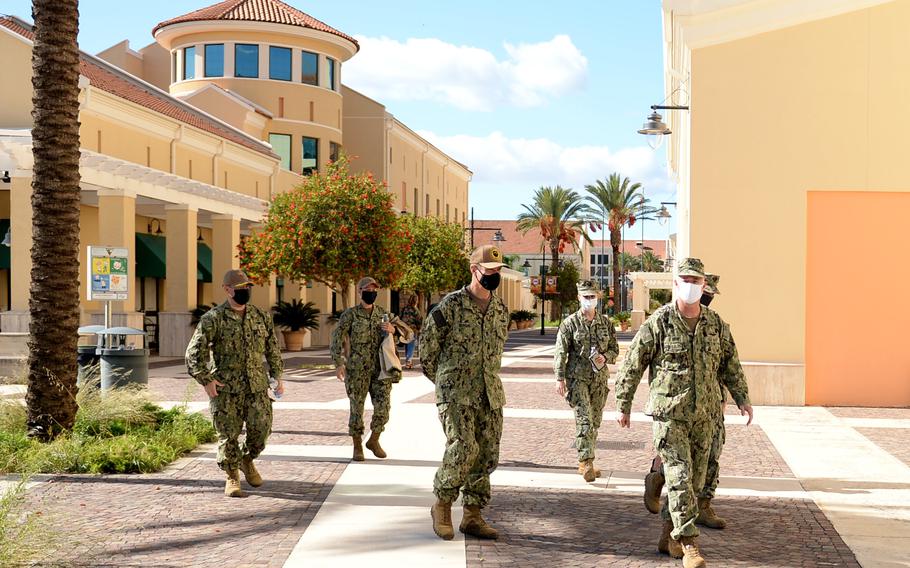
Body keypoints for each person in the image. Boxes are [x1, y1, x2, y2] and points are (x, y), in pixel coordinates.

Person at [615, 259, 752, 568]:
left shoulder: (715, 324)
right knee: (679, 476)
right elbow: (633, 363)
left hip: (705, 415)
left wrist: (743, 398)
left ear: (704, 285)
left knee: (693, 481)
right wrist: (623, 403)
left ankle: (668, 537)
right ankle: (689, 543)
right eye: (685, 279)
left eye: (696, 280)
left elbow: (730, 363)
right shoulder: (659, 322)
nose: (691, 285)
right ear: (675, 284)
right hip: (670, 414)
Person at [421, 245, 510, 541]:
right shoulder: (450, 307)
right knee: (463, 447)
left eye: (498, 271)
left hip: (489, 393)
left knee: (487, 454)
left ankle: (472, 514)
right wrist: (446, 383)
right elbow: (428, 352)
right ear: (475, 270)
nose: (495, 276)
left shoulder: (500, 310)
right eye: (490, 271)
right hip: (456, 392)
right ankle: (443, 504)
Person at [186, 269, 284, 498]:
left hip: (257, 387)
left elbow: (272, 349)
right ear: (227, 290)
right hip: (225, 389)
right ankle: (232, 475)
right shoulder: (213, 319)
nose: (245, 292)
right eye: (240, 289)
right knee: (228, 435)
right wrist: (206, 380)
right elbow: (193, 353)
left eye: (248, 287)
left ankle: (247, 460)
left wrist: (278, 376)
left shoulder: (260, 316)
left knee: (261, 432)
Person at [644, 274, 729, 530]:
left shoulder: (712, 324)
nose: (707, 300)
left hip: (710, 403)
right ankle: (662, 484)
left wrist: (728, 396)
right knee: (680, 466)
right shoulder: (667, 321)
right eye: (706, 295)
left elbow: (723, 364)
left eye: (710, 296)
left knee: (711, 454)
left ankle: (702, 504)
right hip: (677, 406)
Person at [331, 277, 412, 461]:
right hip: (357, 370)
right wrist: (338, 363)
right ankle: (357, 445)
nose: (371, 292)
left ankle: (374, 440)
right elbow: (336, 338)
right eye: (368, 289)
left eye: (374, 289)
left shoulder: (383, 314)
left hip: (380, 371)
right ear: (360, 292)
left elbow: (409, 333)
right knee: (356, 409)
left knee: (383, 408)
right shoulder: (350, 315)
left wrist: (394, 330)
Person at [553, 280, 619, 482]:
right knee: (584, 419)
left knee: (595, 421)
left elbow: (615, 349)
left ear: (597, 298)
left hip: (599, 379)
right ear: (578, 298)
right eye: (586, 297)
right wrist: (559, 377)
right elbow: (560, 351)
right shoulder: (569, 324)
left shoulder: (606, 323)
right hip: (577, 378)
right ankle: (587, 461)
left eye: (593, 297)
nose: (590, 300)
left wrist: (605, 357)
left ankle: (584, 462)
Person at [399, 295, 423, 369]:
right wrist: (419, 329)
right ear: (416, 301)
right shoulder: (415, 310)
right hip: (412, 330)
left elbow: (400, 317)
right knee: (411, 345)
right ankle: (408, 361)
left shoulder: (404, 309)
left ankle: (408, 360)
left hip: (404, 329)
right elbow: (419, 320)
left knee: (407, 345)